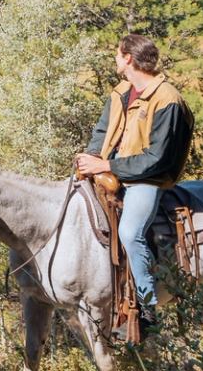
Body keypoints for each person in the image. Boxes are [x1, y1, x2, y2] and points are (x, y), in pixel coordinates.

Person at [74, 33, 194, 340]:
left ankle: (147, 306)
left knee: (130, 232)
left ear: (128, 58)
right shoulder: (121, 92)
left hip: (145, 180)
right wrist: (89, 158)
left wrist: (107, 166)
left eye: (118, 55)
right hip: (109, 172)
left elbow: (156, 159)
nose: (115, 60)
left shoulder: (167, 98)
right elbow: (102, 132)